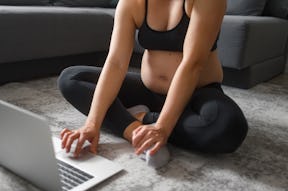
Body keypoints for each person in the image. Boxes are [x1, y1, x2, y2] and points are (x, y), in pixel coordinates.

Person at [57, 0, 248, 168]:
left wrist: (162, 127)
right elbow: (116, 63)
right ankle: (134, 131)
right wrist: (92, 124)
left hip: (197, 93)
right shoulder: (133, 3)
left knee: (227, 127)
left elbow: (193, 64)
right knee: (72, 78)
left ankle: (140, 117)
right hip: (149, 90)